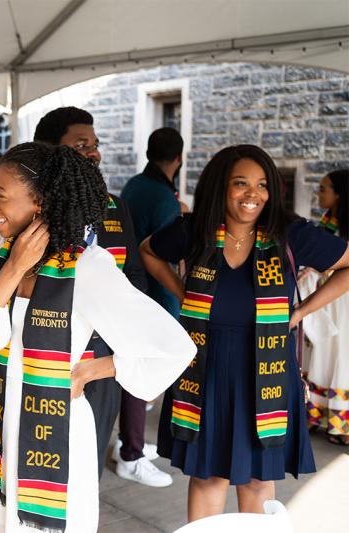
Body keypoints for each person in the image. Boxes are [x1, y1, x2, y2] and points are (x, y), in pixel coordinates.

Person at [0, 142, 195, 532]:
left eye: (1, 196)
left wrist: (91, 371)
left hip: (58, 429)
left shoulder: (86, 266)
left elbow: (173, 346)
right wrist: (14, 269)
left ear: (41, 202)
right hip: (3, 422)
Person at [141, 145, 349, 522]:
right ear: (222, 186)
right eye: (241, 183)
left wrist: (301, 311)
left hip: (265, 373)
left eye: (263, 185)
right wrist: (180, 291)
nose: (253, 194)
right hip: (206, 372)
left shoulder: (289, 235)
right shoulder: (196, 231)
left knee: (256, 480)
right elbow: (148, 251)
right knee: (207, 477)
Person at [33, 107, 164, 486]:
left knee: (89, 457)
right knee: (43, 461)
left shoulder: (115, 207)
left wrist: (128, 333)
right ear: (51, 150)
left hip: (104, 359)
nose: (93, 152)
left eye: (94, 144)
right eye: (81, 144)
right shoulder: (36, 209)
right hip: (49, 352)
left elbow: (134, 274)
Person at [116, 127, 185, 478]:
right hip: (153, 293)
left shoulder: (133, 186)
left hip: (128, 286)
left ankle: (129, 443)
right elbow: (167, 253)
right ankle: (131, 454)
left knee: (132, 368)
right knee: (141, 372)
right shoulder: (164, 199)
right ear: (179, 159)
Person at [304, 168, 349, 445]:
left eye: (323, 189)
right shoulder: (328, 221)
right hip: (329, 296)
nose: (319, 194)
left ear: (340, 194)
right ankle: (319, 415)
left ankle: (342, 423)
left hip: (343, 297)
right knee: (324, 349)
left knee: (341, 351)